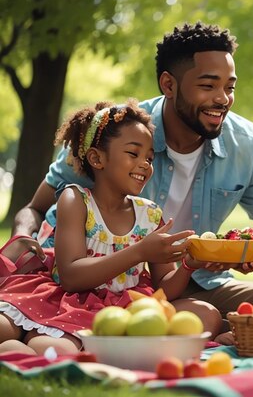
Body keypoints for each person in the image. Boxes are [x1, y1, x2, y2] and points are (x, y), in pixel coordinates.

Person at [11, 22, 253, 318]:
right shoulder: (118, 133)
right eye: (208, 85)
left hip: (188, 280)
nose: (222, 99)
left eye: (229, 87)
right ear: (168, 84)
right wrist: (21, 243)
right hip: (104, 285)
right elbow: (36, 209)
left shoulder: (247, 145)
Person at [0, 100, 223, 355]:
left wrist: (188, 265)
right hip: (70, 302)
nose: (145, 164)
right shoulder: (75, 201)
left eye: (149, 158)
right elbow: (72, 277)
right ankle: (24, 344)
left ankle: (46, 347)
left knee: (208, 316)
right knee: (38, 342)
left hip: (127, 307)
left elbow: (165, 288)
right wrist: (140, 252)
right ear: (97, 158)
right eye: (133, 153)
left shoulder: (149, 214)